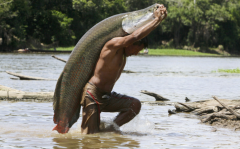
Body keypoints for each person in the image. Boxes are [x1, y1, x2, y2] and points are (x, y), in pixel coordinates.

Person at [80, 4, 167, 134]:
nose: (136, 53)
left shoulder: (124, 55)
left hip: (107, 96)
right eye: (137, 50)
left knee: (135, 104)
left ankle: (110, 129)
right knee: (89, 137)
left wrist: (158, 17)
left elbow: (136, 36)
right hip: (92, 95)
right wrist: (156, 20)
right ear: (130, 44)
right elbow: (134, 36)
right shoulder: (113, 45)